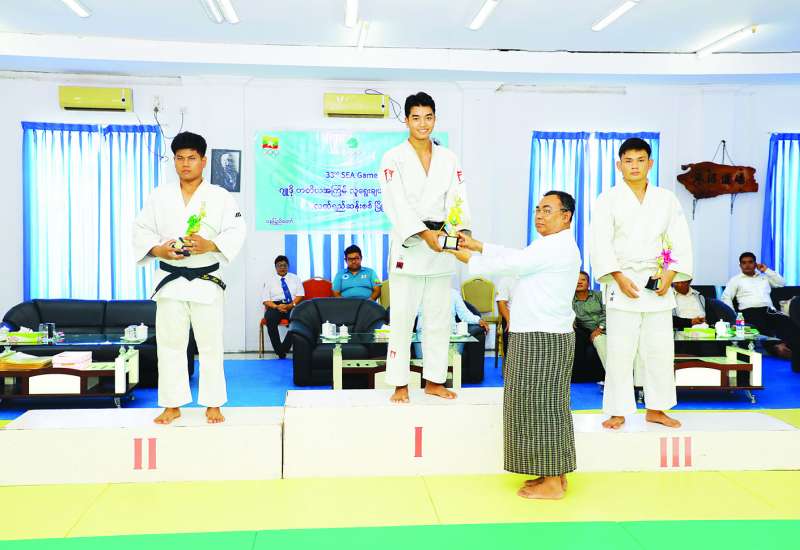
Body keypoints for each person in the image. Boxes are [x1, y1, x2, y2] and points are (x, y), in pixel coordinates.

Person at [449, 191, 581, 500]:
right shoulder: (548, 245)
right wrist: (476, 246)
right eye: (537, 209)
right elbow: (516, 256)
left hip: (542, 336)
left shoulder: (556, 246)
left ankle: (552, 483)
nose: (539, 215)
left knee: (542, 406)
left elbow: (513, 263)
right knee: (543, 405)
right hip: (539, 333)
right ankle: (554, 473)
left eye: (547, 210)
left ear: (566, 217)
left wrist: (467, 254)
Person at [133, 131, 246, 425]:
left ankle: (213, 403)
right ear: (174, 161)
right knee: (170, 345)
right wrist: (159, 249)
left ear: (203, 161)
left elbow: (236, 231)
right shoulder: (159, 196)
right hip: (170, 281)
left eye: (192, 158)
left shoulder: (220, 196)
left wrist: (211, 245)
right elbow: (141, 230)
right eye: (180, 158)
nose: (185, 164)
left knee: (210, 344)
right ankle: (172, 405)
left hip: (206, 281)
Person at [588, 137, 693, 430]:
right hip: (622, 280)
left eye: (640, 160)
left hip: (657, 282)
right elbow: (600, 242)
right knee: (620, 350)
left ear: (650, 163)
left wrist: (670, 274)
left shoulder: (666, 199)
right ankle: (618, 410)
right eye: (628, 161)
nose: (634, 166)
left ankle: (657, 409)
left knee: (659, 350)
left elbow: (679, 239)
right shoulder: (608, 199)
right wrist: (617, 276)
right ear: (619, 165)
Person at [379, 91, 472, 403]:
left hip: (442, 243)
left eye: (428, 117)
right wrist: (422, 233)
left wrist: (457, 231)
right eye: (416, 117)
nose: (423, 124)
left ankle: (434, 380)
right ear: (406, 120)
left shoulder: (449, 158)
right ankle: (400, 383)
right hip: (411, 244)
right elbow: (395, 202)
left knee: (439, 319)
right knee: (402, 320)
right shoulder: (393, 157)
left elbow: (458, 198)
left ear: (435, 119)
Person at [722, 252, 792, 358]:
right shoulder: (736, 280)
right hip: (749, 310)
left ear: (755, 264)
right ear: (740, 265)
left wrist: (766, 270)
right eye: (744, 263)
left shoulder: (764, 277)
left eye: (750, 262)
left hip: (768, 310)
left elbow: (782, 283)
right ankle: (777, 347)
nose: (747, 265)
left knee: (786, 320)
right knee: (760, 323)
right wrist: (733, 316)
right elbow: (726, 297)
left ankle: (789, 346)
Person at [413, 288, 489, 358]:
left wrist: (478, 320)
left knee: (452, 360)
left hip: (450, 334)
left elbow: (464, 314)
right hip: (425, 334)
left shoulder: (453, 293)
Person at [262, 255, 304, 359]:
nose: (282, 268)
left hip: (292, 305)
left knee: (297, 321)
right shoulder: (269, 280)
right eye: (279, 265)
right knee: (270, 319)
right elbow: (265, 300)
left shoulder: (295, 278)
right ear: (275, 267)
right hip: (275, 306)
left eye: (284, 265)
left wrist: (291, 305)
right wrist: (277, 307)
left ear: (288, 266)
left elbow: (300, 295)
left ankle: (283, 349)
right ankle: (279, 351)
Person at [572, 270, 607, 382]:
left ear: (588, 283)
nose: (579, 282)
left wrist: (600, 328)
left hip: (607, 328)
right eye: (576, 280)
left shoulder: (599, 295)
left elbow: (607, 312)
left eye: (583, 280)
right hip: (587, 333)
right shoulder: (570, 300)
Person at [496, 276, 516, 363]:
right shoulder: (506, 279)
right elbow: (501, 303)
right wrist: (509, 320)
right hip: (511, 318)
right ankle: (509, 365)